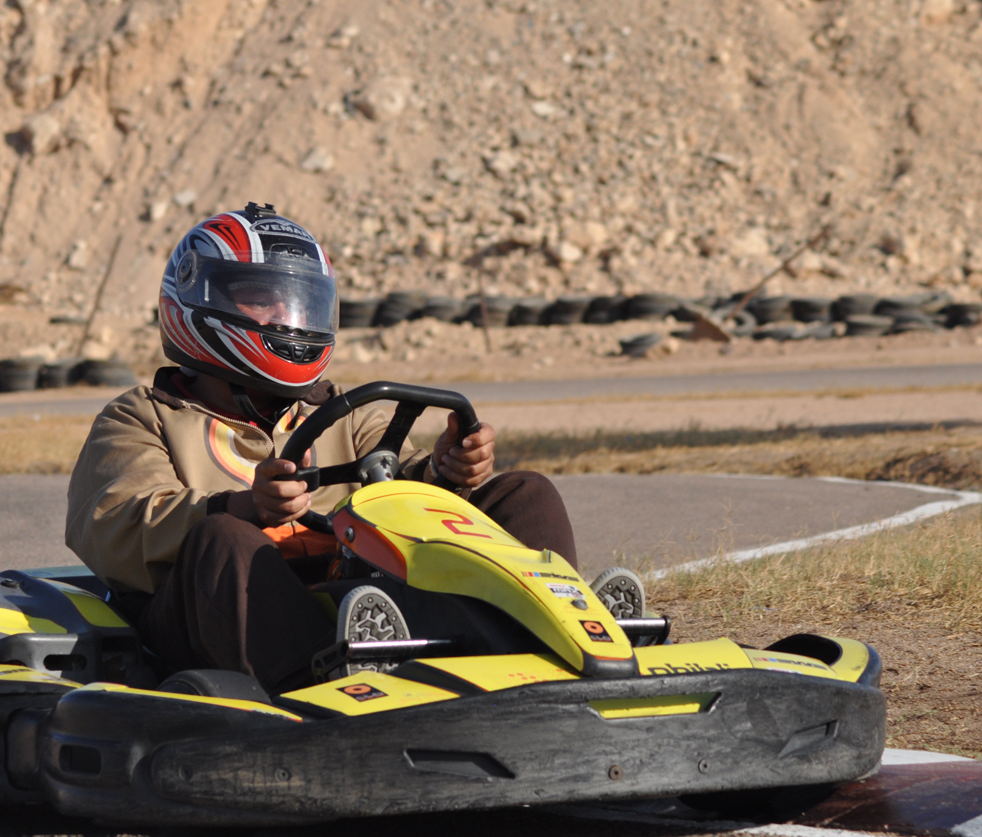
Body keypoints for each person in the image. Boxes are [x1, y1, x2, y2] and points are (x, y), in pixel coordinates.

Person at [65, 203, 642, 692]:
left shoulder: (337, 409)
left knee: (525, 492)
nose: (285, 317)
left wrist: (445, 469)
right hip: (209, 621)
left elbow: (397, 483)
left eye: (297, 302)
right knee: (225, 540)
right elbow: (112, 526)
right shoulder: (143, 416)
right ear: (199, 300)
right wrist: (238, 507)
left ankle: (557, 650)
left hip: (358, 596)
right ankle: (327, 682)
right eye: (260, 299)